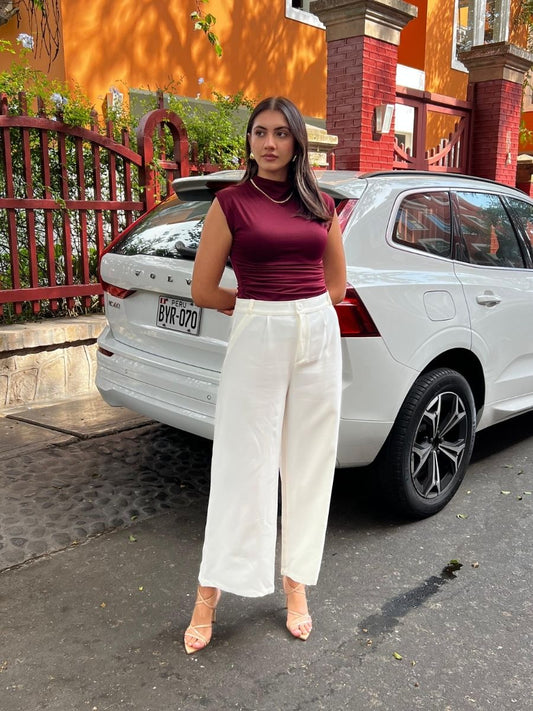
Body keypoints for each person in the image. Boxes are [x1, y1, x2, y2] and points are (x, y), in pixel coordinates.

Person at [184, 96, 346, 654]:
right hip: (258, 329)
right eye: (259, 132)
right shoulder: (230, 203)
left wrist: (304, 311)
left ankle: (296, 582)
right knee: (242, 463)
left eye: (280, 132)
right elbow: (202, 290)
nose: (269, 143)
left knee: (310, 461)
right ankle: (209, 593)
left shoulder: (320, 203)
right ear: (249, 140)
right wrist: (256, 306)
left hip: (317, 333)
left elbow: (336, 285)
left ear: (297, 140)